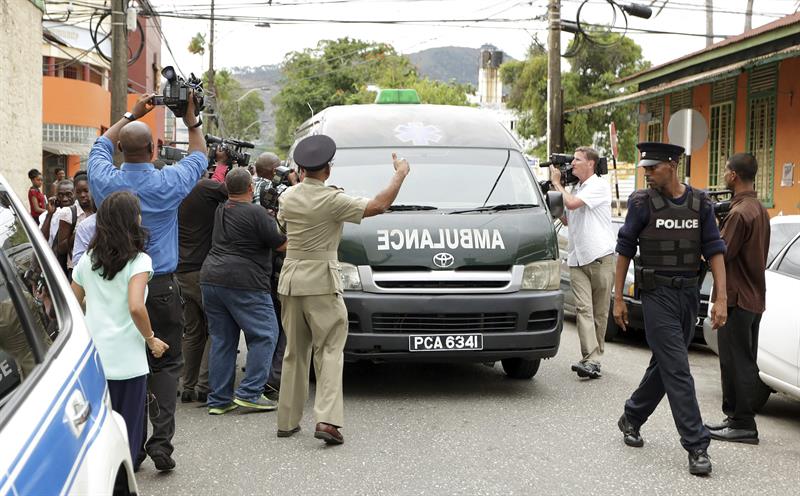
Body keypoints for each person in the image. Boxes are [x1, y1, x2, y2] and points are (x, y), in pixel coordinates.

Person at [88, 92, 206, 472]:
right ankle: (162, 444)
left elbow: (100, 145)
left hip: (115, 287)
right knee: (167, 364)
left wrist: (131, 113)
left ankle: (132, 446)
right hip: (159, 287)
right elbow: (200, 156)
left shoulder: (104, 179)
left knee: (131, 366)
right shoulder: (169, 182)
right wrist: (191, 121)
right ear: (154, 149)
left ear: (123, 149)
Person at [275, 134, 410, 445]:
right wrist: (400, 173)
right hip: (321, 281)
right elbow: (379, 205)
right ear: (328, 170)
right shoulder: (332, 200)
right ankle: (327, 420)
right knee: (330, 350)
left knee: (294, 352)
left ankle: (287, 420)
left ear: (301, 168)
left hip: (291, 280)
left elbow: (283, 226)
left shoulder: (287, 197)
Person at [613, 142, 727, 476]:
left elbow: (715, 249)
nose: (647, 173)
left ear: (673, 166)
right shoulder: (640, 203)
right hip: (656, 294)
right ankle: (697, 445)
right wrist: (618, 297)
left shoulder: (701, 203)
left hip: (688, 294)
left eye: (653, 168)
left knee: (665, 365)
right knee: (678, 367)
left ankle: (632, 416)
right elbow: (623, 249)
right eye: (645, 169)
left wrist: (721, 297)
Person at [70, 191, 169, 462]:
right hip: (128, 359)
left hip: (95, 356)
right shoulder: (139, 261)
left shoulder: (86, 260)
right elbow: (136, 306)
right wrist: (150, 338)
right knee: (129, 428)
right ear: (131, 220)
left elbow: (72, 303)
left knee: (101, 424)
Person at [200, 167, 286, 414]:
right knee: (266, 333)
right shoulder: (257, 213)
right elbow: (281, 244)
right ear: (251, 188)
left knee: (223, 339)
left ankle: (219, 400)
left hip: (211, 278)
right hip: (244, 280)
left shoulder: (220, 210)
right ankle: (250, 393)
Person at [705, 153, 770, 445]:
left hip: (738, 297)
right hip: (753, 296)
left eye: (725, 170)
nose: (723, 174)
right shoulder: (758, 209)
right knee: (742, 360)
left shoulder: (740, 213)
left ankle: (743, 424)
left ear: (733, 176)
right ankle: (735, 419)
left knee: (736, 362)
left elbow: (719, 254)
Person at [550, 147, 616, 379]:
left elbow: (574, 204)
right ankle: (591, 358)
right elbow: (569, 219)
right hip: (578, 259)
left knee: (599, 313)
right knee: (583, 309)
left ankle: (594, 359)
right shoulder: (577, 189)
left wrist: (558, 184)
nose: (572, 164)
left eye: (577, 160)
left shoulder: (598, 185)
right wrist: (554, 201)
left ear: (590, 164)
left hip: (600, 257)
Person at [176, 152, 229, 404]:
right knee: (214, 329)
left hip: (180, 272)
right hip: (201, 271)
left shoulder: (175, 190)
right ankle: (204, 385)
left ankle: (186, 384)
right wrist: (224, 164)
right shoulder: (205, 188)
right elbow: (234, 190)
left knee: (192, 331)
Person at [56, 172, 95, 278]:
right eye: (78, 192)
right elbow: (61, 248)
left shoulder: (99, 212)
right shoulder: (68, 213)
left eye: (86, 191)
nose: (82, 195)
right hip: (76, 270)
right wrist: (79, 233)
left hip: (96, 268)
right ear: (74, 193)